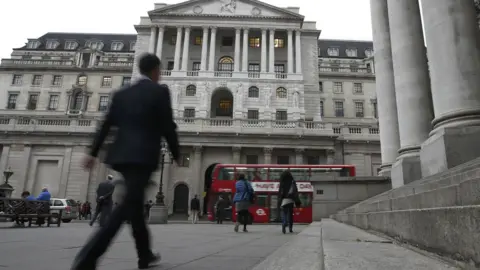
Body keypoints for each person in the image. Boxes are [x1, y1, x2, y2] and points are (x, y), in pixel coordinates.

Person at [71, 53, 180, 270]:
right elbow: (168, 125)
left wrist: (92, 152)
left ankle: (145, 255)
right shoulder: (159, 91)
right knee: (126, 207)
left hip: (121, 156)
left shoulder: (122, 93)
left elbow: (106, 124)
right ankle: (88, 257)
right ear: (156, 71)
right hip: (143, 157)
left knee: (136, 208)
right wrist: (176, 153)